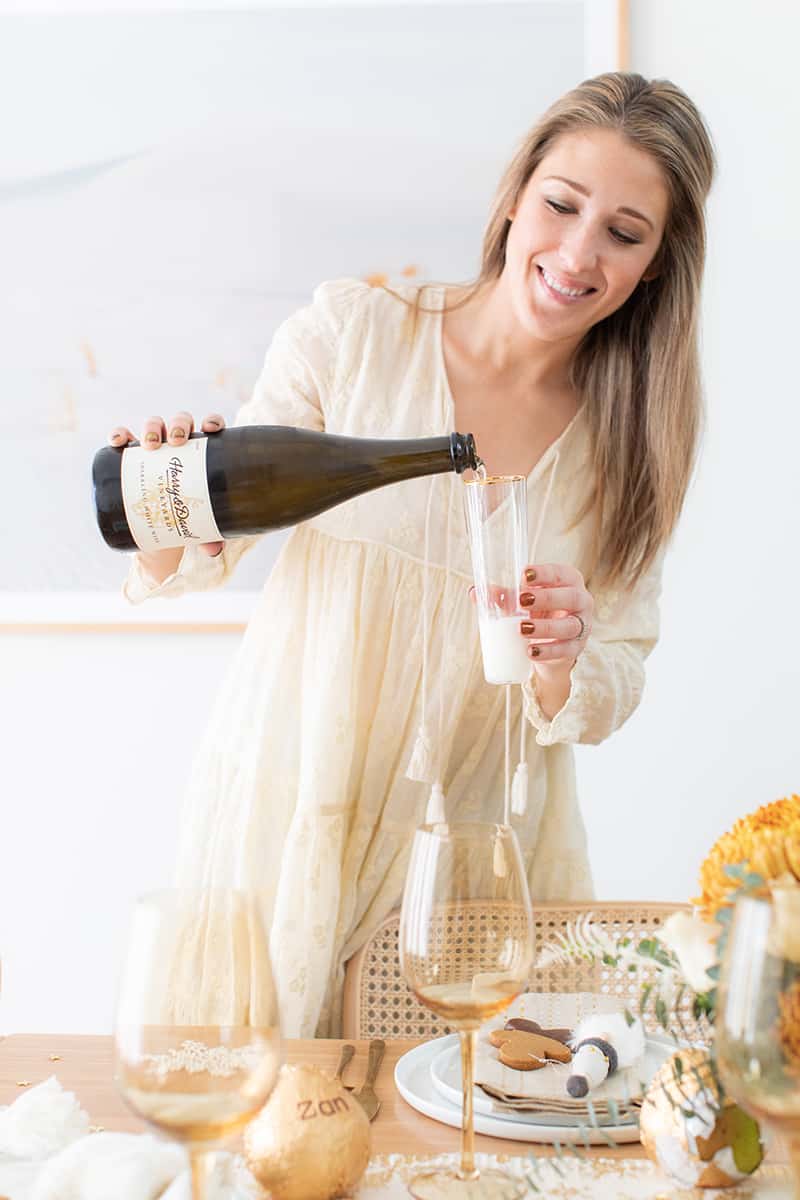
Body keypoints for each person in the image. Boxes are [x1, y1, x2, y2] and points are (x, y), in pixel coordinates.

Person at [110, 72, 715, 1037]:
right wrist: (170, 505)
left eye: (624, 232)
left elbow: (617, 675)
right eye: (561, 206)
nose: (577, 252)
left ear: (655, 263)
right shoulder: (353, 337)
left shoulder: (631, 445)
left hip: (477, 857)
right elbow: (206, 546)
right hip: (290, 813)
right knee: (250, 1140)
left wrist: (565, 661)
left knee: (455, 1148)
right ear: (516, 197)